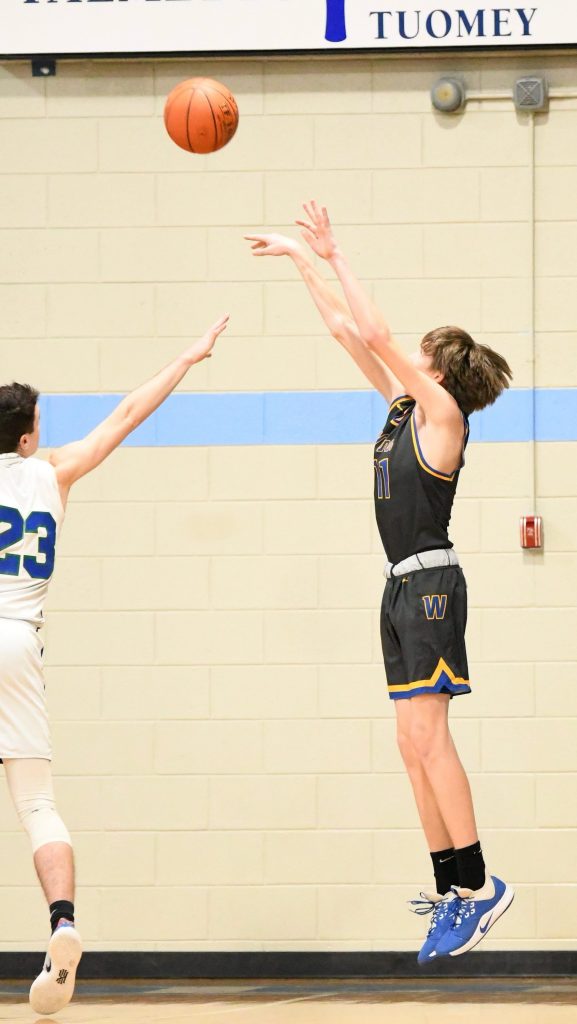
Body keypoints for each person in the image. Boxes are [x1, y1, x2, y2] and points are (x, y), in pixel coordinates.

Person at [245, 203, 514, 963]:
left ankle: (480, 886)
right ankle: (448, 888)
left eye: (418, 351)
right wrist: (300, 259)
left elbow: (370, 329)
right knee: (407, 742)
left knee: (430, 735)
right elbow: (346, 331)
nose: (404, 353)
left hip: (432, 585)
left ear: (437, 368)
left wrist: (332, 252)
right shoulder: (403, 411)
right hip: (398, 587)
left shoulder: (443, 414)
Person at [0, 314, 228, 1014]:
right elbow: (127, 414)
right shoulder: (54, 472)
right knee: (37, 804)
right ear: (28, 435)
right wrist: (186, 357)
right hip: (21, 641)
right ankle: (62, 922)